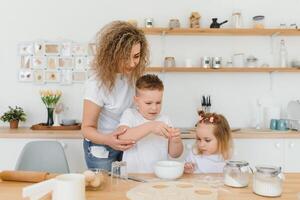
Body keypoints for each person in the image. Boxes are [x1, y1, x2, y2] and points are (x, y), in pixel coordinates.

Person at [81, 21, 149, 171]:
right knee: (104, 192)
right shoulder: (97, 84)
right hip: (102, 147)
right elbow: (86, 128)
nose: (132, 63)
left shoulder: (133, 76)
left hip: (128, 144)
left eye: (136, 56)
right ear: (111, 55)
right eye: (125, 57)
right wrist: (108, 140)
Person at [117, 74, 183, 173]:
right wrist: (151, 126)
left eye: (158, 102)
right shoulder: (130, 115)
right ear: (136, 101)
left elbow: (175, 154)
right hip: (133, 176)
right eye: (148, 103)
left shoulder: (165, 120)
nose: (154, 108)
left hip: (159, 176)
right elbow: (122, 137)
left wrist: (176, 141)